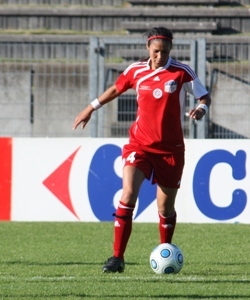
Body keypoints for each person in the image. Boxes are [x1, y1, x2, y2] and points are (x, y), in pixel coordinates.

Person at [72, 27, 211, 273]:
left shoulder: (181, 72)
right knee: (127, 196)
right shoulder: (135, 70)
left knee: (165, 209)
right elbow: (117, 88)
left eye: (165, 51)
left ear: (171, 49)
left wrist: (201, 109)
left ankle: (165, 252)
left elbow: (204, 97)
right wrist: (91, 107)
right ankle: (117, 258)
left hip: (170, 151)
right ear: (148, 48)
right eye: (156, 51)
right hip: (140, 145)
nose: (160, 56)